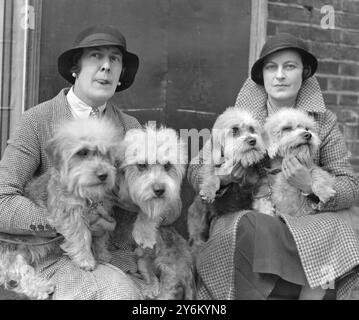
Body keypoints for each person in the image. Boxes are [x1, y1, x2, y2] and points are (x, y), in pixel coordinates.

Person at [187, 33, 359, 300]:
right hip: (253, 221)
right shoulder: (239, 120)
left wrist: (309, 184)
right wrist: (222, 178)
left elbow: (350, 185)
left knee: (341, 229)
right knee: (247, 225)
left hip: (305, 220)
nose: (280, 75)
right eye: (271, 67)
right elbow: (196, 169)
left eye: (289, 66)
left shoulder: (323, 123)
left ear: (304, 72)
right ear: (262, 76)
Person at [0, 25, 147, 299]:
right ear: (75, 68)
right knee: (116, 293)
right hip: (49, 255)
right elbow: (2, 200)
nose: (106, 67)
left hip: (115, 254)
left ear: (121, 75)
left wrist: (140, 198)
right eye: (96, 56)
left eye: (114, 59)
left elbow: (168, 208)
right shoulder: (37, 120)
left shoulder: (130, 128)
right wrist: (64, 222)